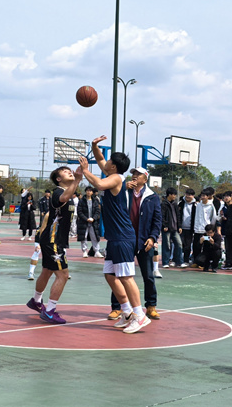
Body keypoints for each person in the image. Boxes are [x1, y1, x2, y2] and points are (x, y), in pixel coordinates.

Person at [79, 135, 150, 334]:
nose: (106, 162)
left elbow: (100, 185)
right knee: (110, 275)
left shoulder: (116, 178)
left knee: (126, 277)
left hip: (123, 236)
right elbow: (100, 159)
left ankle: (140, 315)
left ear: (114, 166)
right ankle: (126, 312)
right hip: (114, 237)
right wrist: (94, 146)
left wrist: (85, 170)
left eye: (109, 161)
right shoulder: (113, 174)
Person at [25, 165, 83, 324]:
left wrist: (77, 181)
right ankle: (50, 311)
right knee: (63, 275)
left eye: (70, 170)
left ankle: (36, 301)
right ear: (58, 179)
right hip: (53, 240)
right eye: (65, 171)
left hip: (54, 239)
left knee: (47, 271)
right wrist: (77, 180)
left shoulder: (69, 192)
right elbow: (63, 198)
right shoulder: (58, 192)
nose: (69, 172)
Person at [107, 166, 162, 321]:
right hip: (125, 239)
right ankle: (117, 307)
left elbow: (157, 220)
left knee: (148, 275)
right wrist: (123, 188)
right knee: (119, 274)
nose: (135, 176)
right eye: (133, 174)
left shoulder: (152, 197)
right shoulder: (124, 192)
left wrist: (152, 237)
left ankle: (151, 306)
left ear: (145, 178)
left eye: (138, 174)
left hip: (144, 241)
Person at [160, 187, 182, 276]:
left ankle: (179, 261)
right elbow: (162, 216)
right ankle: (165, 262)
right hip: (167, 228)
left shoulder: (175, 204)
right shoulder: (164, 204)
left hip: (175, 228)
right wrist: (164, 225)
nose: (175, 196)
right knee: (167, 245)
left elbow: (178, 216)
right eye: (174, 195)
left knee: (179, 244)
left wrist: (179, 226)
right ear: (169, 195)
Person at [77, 186, 103, 258]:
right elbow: (79, 212)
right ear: (85, 192)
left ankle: (96, 251)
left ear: (92, 192)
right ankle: (84, 251)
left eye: (90, 191)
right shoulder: (81, 201)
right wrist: (86, 219)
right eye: (87, 190)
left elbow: (98, 211)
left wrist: (93, 218)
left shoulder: (95, 201)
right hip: (84, 222)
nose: (89, 192)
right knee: (84, 236)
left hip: (93, 222)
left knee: (94, 237)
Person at [176, 188, 196, 267]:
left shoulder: (196, 205)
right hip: (181, 228)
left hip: (190, 229)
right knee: (179, 244)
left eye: (190, 195)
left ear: (193, 196)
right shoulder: (181, 203)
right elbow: (178, 215)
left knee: (188, 245)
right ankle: (178, 260)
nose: (188, 196)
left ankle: (186, 260)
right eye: (187, 194)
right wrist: (179, 226)